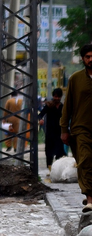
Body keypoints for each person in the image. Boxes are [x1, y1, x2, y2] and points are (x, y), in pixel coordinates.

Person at [61, 44, 92, 212]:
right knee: (85, 160)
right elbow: (68, 107)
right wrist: (64, 129)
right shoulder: (75, 79)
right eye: (87, 57)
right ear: (83, 59)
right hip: (81, 128)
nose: (90, 59)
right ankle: (90, 199)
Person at [39, 88, 65, 170]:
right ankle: (49, 167)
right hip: (50, 132)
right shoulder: (49, 106)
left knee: (59, 152)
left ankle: (57, 168)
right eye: (55, 96)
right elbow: (40, 115)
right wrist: (41, 120)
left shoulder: (62, 107)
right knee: (49, 151)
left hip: (59, 132)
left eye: (58, 97)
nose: (56, 98)